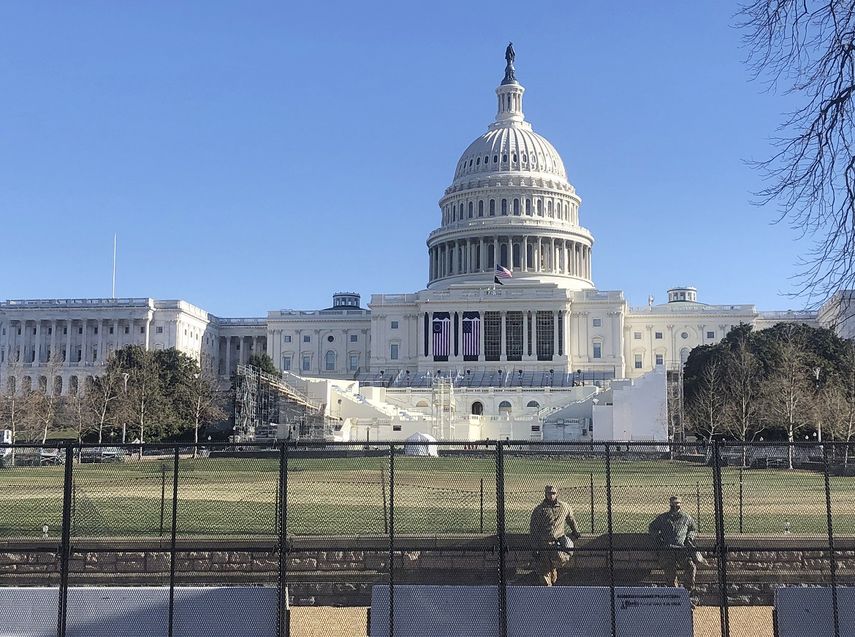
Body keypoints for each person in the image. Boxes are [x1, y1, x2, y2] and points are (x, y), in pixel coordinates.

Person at [648, 496, 701, 596]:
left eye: (677, 504)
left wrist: (689, 537)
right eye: (673, 504)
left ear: (680, 505)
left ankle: (687, 593)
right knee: (670, 576)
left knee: (691, 567)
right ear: (670, 505)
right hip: (667, 550)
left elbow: (693, 529)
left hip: (681, 550)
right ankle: (675, 596)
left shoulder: (686, 518)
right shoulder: (663, 518)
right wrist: (658, 538)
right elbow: (652, 527)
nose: (675, 507)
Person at [529, 485, 581, 585]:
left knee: (555, 568)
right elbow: (533, 530)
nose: (551, 496)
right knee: (544, 574)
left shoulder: (564, 507)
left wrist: (575, 531)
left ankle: (553, 576)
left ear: (557, 494)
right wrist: (535, 547)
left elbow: (571, 519)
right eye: (549, 493)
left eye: (553, 493)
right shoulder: (539, 510)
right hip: (543, 545)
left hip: (558, 545)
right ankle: (547, 593)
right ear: (545, 494)